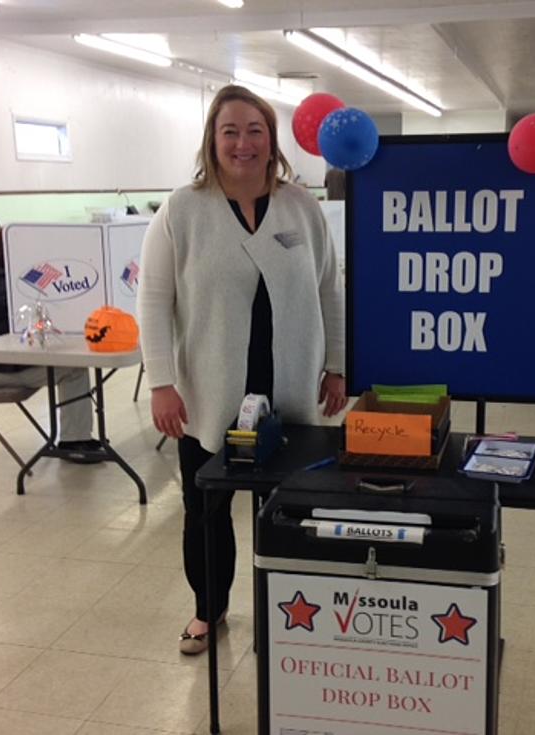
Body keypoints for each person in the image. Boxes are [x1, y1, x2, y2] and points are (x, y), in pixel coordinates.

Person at [138, 85, 347, 654]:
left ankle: (295, 613)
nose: (242, 143)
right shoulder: (184, 209)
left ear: (271, 141)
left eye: (255, 130)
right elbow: (154, 300)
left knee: (292, 508)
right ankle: (209, 610)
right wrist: (161, 381)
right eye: (230, 131)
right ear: (212, 139)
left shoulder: (301, 207)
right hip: (207, 391)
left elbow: (330, 287)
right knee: (206, 510)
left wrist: (337, 366)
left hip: (291, 388)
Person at [0, 229, 100, 461]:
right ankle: (74, 441)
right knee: (73, 370)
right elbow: (41, 317)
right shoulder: (1, 284)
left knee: (72, 365)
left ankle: (76, 437)